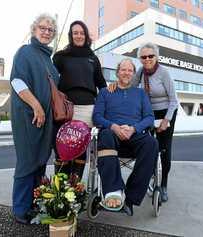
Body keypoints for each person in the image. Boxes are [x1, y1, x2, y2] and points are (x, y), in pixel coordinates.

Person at [108, 42, 178, 202]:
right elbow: (127, 86)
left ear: (156, 57)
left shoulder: (164, 73)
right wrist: (113, 86)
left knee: (164, 148)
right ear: (140, 59)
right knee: (148, 145)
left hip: (165, 112)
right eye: (143, 57)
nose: (147, 59)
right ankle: (149, 175)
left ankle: (163, 185)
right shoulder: (140, 72)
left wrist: (166, 120)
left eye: (150, 56)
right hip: (147, 112)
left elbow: (174, 100)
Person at [93, 59, 158, 216]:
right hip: (112, 136)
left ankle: (130, 198)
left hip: (134, 135)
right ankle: (113, 191)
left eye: (130, 70)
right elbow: (97, 117)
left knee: (152, 143)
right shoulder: (105, 92)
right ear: (117, 72)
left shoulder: (141, 94)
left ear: (133, 73)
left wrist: (134, 128)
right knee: (105, 134)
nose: (126, 73)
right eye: (123, 70)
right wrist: (114, 126)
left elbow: (149, 117)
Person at [10, 13, 59, 224]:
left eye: (50, 30)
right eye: (43, 28)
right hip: (29, 116)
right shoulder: (25, 52)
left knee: (40, 162)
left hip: (46, 120)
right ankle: (20, 209)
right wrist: (37, 106)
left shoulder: (48, 58)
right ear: (34, 29)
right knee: (27, 161)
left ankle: (33, 204)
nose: (46, 32)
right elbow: (17, 81)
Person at [52, 20, 107, 178]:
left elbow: (101, 84)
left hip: (87, 109)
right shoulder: (60, 56)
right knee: (62, 150)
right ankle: (61, 193)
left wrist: (109, 103)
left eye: (82, 33)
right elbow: (50, 80)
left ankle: (74, 192)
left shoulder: (92, 58)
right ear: (70, 35)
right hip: (66, 110)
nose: (79, 35)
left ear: (86, 35)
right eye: (75, 33)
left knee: (80, 151)